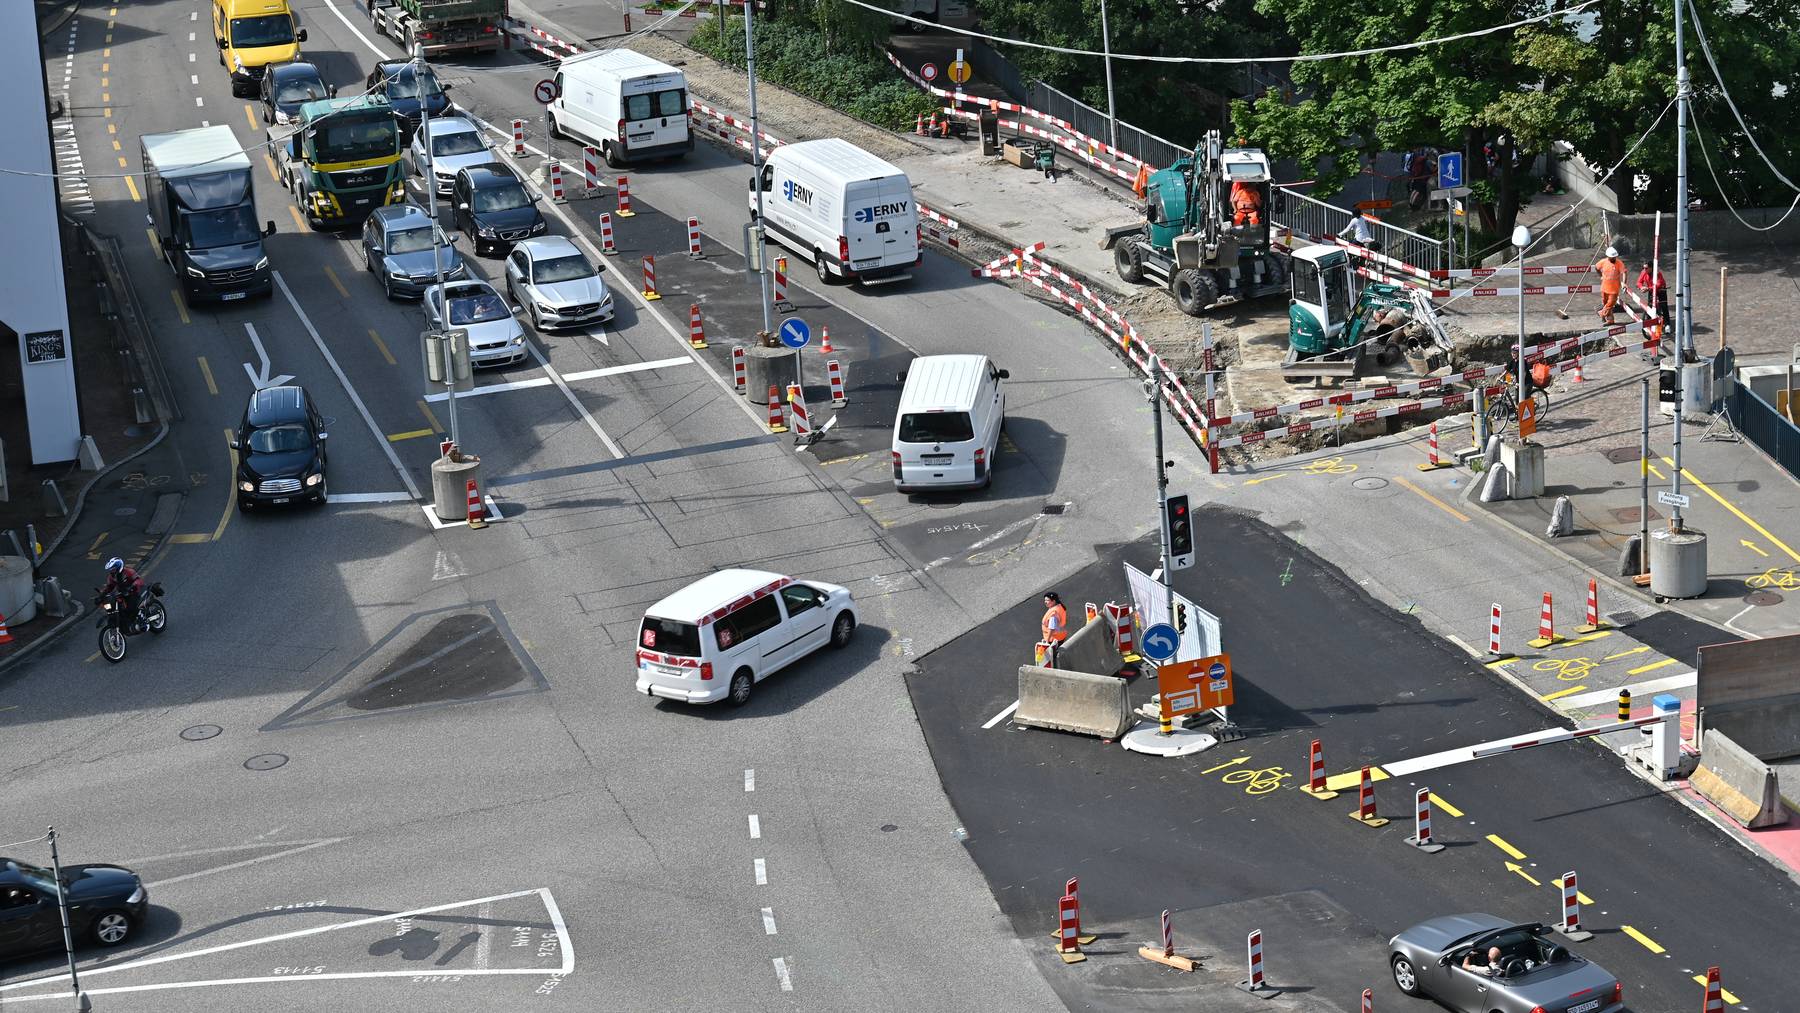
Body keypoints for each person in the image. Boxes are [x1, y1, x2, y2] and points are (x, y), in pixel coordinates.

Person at [102, 556, 147, 632]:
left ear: (118, 567)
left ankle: (142, 621)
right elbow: (109, 587)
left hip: (134, 592)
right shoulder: (112, 577)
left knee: (131, 608)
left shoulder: (128, 571)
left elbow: (138, 580)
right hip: (122, 594)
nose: (111, 571)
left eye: (113, 569)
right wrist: (101, 595)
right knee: (120, 609)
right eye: (110, 569)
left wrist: (133, 586)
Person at [1595, 246, 1626, 325]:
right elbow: (1597, 267)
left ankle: (1601, 314)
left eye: (1615, 257)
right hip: (1604, 287)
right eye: (1612, 257)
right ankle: (1610, 320)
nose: (1613, 258)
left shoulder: (1619, 263)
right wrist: (1601, 275)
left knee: (1610, 304)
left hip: (1614, 289)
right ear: (1608, 256)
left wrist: (1624, 283)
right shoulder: (1603, 262)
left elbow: (1624, 273)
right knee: (1605, 303)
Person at [1040, 592, 1069, 662]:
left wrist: (1047, 641)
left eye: (1047, 600)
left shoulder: (1053, 614)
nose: (1045, 602)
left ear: (1053, 601)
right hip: (1061, 636)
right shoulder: (1059, 606)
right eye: (1045, 600)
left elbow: (1051, 628)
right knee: (1056, 653)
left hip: (1054, 639)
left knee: (1051, 657)